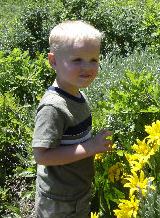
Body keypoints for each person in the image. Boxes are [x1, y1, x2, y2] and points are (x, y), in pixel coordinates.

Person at [32, 20, 114, 217]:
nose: (87, 67)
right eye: (77, 60)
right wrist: (90, 147)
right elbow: (41, 156)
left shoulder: (77, 93)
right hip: (60, 200)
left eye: (93, 59)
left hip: (77, 191)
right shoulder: (53, 107)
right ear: (53, 61)